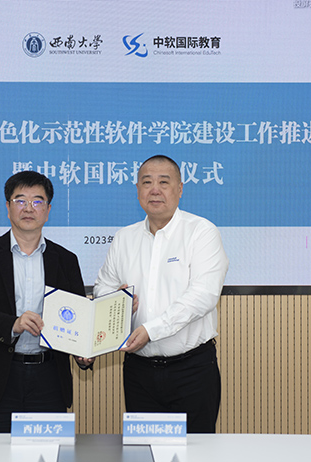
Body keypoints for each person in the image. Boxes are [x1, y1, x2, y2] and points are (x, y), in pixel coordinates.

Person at [94, 155, 229, 433]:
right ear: (137, 190)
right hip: (139, 371)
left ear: (180, 189)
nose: (155, 190)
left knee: (196, 450)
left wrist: (151, 330)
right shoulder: (124, 238)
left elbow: (203, 295)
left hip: (192, 369)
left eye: (164, 182)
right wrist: (118, 302)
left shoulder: (201, 232)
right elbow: (103, 287)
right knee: (143, 449)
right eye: (147, 182)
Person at [0, 171, 93, 433]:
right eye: (20, 200)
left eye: (37, 201)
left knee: (49, 450)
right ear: (8, 207)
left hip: (50, 378)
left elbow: (78, 316)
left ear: (48, 210)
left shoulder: (66, 260)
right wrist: (13, 324)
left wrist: (83, 352)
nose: (29, 208)